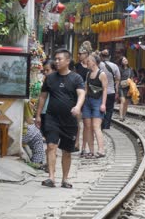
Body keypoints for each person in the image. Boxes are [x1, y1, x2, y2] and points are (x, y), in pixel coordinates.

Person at [34, 49, 85, 189]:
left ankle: (65, 179)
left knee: (66, 151)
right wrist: (38, 115)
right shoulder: (50, 78)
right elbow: (43, 96)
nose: (56, 61)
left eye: (59, 59)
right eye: (55, 59)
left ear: (67, 61)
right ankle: (51, 177)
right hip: (52, 117)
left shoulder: (76, 78)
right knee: (51, 146)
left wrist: (78, 107)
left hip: (69, 120)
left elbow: (81, 94)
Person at [82, 53, 107, 158]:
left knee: (96, 126)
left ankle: (101, 150)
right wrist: (82, 102)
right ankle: (91, 150)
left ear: (94, 62)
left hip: (97, 101)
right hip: (88, 101)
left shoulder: (102, 74)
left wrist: (103, 104)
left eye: (89, 60)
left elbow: (105, 89)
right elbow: (86, 89)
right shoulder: (88, 74)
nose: (87, 62)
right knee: (87, 126)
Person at [75, 41, 93, 153]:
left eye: (80, 53)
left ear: (86, 54)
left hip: (90, 97)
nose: (78, 56)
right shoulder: (76, 66)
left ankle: (85, 146)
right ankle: (77, 142)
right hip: (78, 96)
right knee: (77, 122)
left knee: (88, 124)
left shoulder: (92, 67)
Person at [99, 49, 120, 130]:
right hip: (111, 91)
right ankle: (107, 126)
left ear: (101, 57)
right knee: (109, 109)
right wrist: (117, 91)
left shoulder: (99, 65)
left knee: (100, 107)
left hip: (100, 91)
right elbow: (118, 79)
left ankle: (101, 124)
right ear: (110, 57)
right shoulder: (114, 66)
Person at [118, 56, 134, 121]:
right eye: (123, 60)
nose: (125, 60)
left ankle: (124, 115)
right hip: (121, 87)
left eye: (126, 59)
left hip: (128, 87)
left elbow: (132, 79)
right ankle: (120, 116)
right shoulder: (119, 69)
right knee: (123, 101)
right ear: (121, 62)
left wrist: (132, 87)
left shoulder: (130, 69)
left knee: (126, 102)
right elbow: (118, 79)